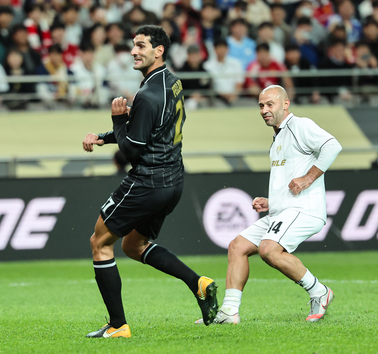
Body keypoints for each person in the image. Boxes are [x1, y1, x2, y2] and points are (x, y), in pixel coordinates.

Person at [82, 25, 218, 339]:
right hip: (173, 182)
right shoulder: (171, 83)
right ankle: (198, 284)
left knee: (99, 243)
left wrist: (118, 120)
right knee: (134, 245)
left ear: (158, 50)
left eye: (141, 45)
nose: (134, 51)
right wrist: (106, 137)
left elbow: (133, 150)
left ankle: (118, 326)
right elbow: (152, 130)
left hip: (148, 181)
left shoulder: (147, 94)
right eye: (133, 45)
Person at [196, 85, 342, 325]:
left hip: (304, 209)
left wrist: (308, 178)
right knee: (237, 246)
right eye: (261, 105)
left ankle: (319, 291)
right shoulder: (278, 137)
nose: (264, 110)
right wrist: (270, 201)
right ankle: (230, 311)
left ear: (285, 104)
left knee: (269, 249)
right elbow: (289, 178)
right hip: (283, 209)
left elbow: (332, 146)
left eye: (270, 104)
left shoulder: (299, 125)